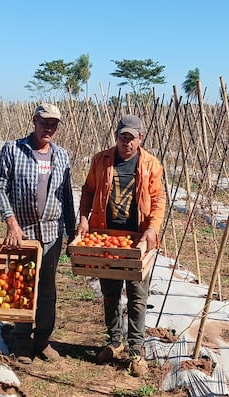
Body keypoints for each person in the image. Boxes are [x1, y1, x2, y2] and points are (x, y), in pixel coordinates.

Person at [77, 114, 167, 376]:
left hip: (137, 239)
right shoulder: (101, 160)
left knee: (138, 296)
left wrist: (151, 228)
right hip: (107, 236)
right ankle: (114, 342)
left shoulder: (151, 164)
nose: (126, 142)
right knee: (110, 293)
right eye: (122, 137)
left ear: (141, 138)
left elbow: (158, 200)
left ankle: (136, 351)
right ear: (116, 136)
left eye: (132, 138)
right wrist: (84, 218)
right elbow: (89, 191)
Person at [0, 102, 76, 364]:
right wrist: (11, 223)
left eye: (53, 124)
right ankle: (20, 340)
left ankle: (42, 340)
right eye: (44, 123)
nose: (49, 128)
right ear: (34, 121)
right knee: (22, 287)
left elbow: (66, 196)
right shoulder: (13, 150)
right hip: (23, 232)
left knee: (48, 288)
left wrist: (72, 232)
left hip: (52, 231)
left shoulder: (61, 155)